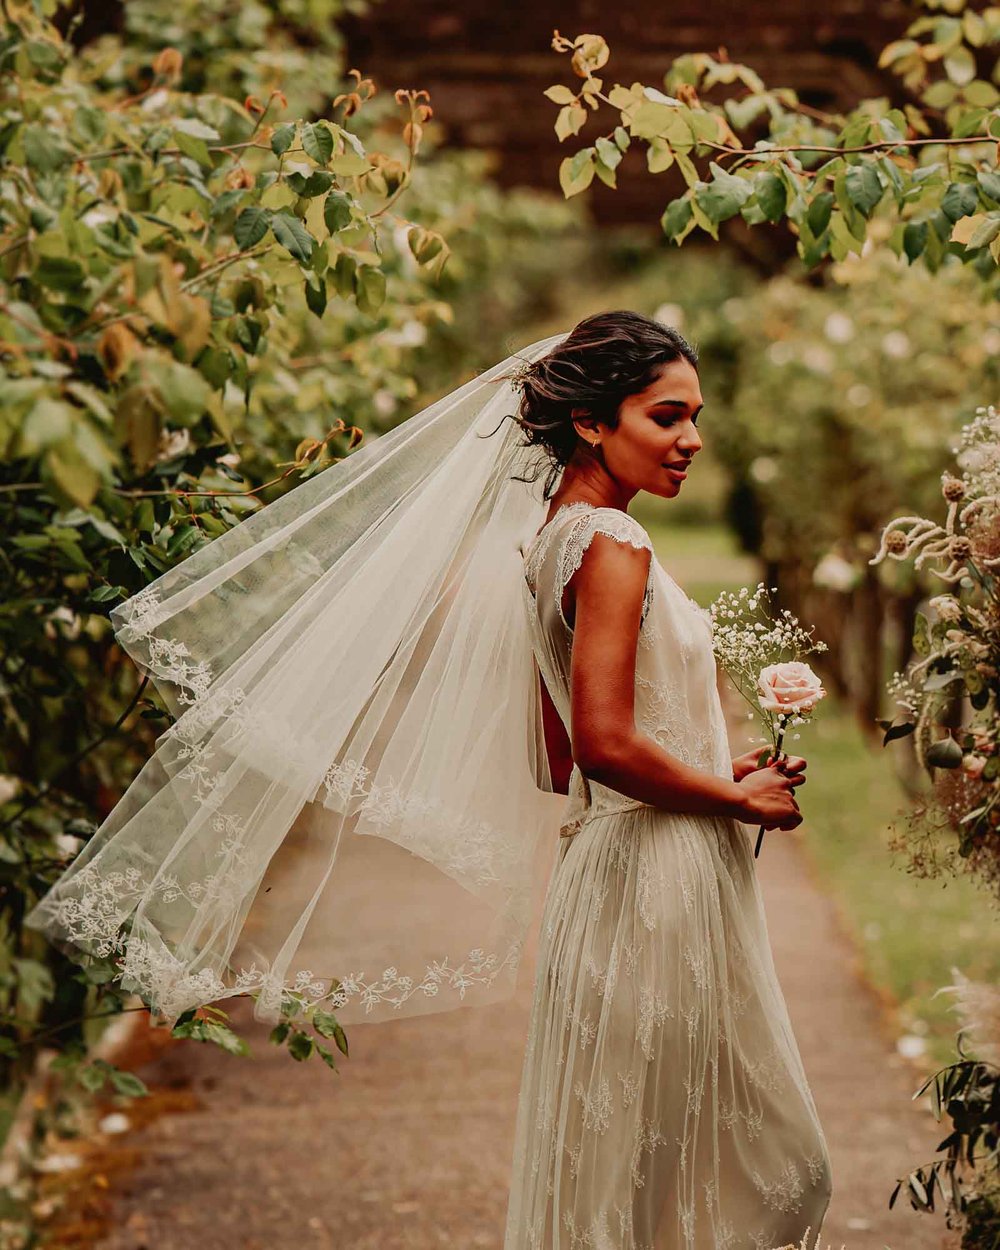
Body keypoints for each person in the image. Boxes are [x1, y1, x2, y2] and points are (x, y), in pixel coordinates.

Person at [502, 311, 832, 1248]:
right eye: (665, 415)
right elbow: (601, 746)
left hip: (608, 875)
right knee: (775, 1171)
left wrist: (714, 763)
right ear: (593, 423)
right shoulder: (613, 544)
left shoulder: (552, 539)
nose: (691, 439)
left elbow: (559, 756)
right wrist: (736, 798)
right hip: (655, 886)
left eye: (695, 415)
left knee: (631, 1172)